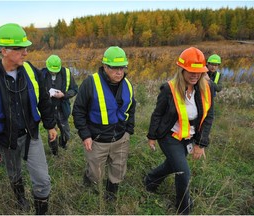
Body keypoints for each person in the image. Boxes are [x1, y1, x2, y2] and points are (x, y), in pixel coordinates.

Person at [0, 23, 57, 215]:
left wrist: (50, 125)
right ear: (4, 50)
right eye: (20, 48)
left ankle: (41, 211)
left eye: (26, 47)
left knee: (42, 180)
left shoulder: (31, 71)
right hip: (5, 139)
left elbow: (43, 100)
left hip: (31, 136)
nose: (26, 52)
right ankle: (20, 200)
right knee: (14, 174)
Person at [144, 47, 214, 214]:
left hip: (189, 138)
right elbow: (157, 114)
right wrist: (151, 136)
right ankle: (184, 208)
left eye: (199, 72)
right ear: (182, 69)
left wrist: (200, 143)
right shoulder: (169, 89)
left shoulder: (207, 88)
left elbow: (208, 116)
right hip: (169, 136)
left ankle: (150, 180)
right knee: (183, 172)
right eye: (191, 71)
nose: (195, 75)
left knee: (172, 165)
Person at [72, 46, 136, 201]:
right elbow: (78, 111)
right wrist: (85, 135)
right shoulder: (90, 83)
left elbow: (132, 107)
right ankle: (89, 180)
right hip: (97, 139)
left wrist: (129, 130)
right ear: (105, 66)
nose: (119, 72)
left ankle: (111, 193)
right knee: (96, 174)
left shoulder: (127, 84)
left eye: (122, 68)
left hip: (121, 138)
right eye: (114, 68)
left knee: (118, 169)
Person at [41, 55, 78, 156]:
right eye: (51, 71)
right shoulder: (41, 74)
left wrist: (64, 95)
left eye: (55, 71)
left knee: (66, 133)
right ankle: (54, 152)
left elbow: (74, 89)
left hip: (62, 108)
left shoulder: (66, 73)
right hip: (49, 110)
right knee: (52, 133)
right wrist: (46, 95)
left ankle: (63, 145)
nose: (53, 72)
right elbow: (37, 92)